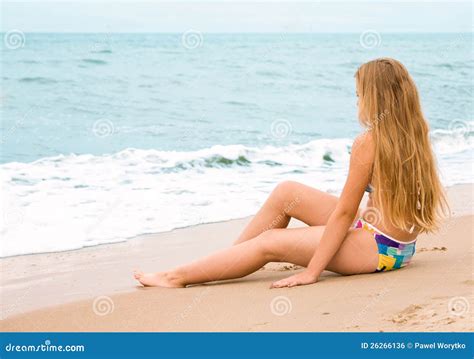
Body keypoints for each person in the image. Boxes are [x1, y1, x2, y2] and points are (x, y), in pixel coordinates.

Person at [133, 58, 449, 289]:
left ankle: (176, 277)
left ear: (375, 98)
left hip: (377, 249)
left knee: (271, 240)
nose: (357, 102)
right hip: (397, 246)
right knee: (287, 192)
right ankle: (228, 261)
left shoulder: (368, 142)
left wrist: (312, 271)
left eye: (358, 95)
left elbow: (343, 213)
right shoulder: (414, 132)